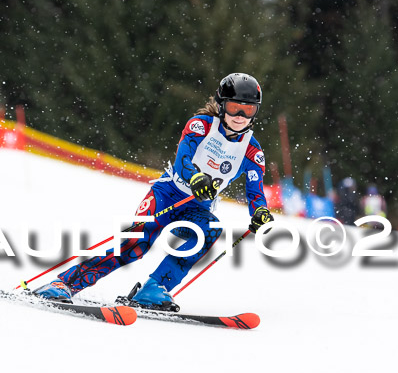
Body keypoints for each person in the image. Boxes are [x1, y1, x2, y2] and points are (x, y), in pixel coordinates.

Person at [32, 73, 274, 310]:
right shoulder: (200, 126)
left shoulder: (252, 151)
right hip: (167, 194)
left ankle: (154, 288)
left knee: (209, 229)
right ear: (222, 106)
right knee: (135, 246)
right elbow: (183, 160)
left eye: (248, 110)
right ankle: (64, 283)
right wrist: (197, 178)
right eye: (234, 108)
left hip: (196, 208)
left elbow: (255, 191)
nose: (241, 116)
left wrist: (260, 211)